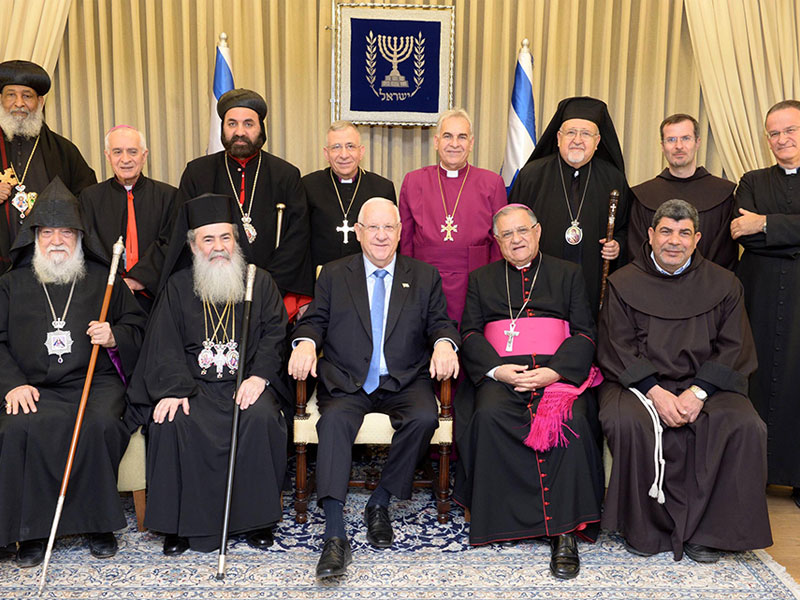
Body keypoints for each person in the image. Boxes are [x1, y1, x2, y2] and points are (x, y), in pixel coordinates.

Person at [288, 197, 459, 579]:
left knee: (424, 417)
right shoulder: (334, 274)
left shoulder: (424, 275)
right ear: (359, 233)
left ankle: (379, 502)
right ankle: (334, 535)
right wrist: (305, 343)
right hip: (348, 379)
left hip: (404, 377)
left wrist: (445, 343)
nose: (381, 236)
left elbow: (440, 323)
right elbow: (314, 320)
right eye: (373, 228)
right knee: (331, 424)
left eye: (389, 228)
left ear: (400, 233)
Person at [600, 199, 772, 562]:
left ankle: (711, 532)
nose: (673, 241)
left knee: (744, 425)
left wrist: (698, 392)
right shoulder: (622, 283)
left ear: (697, 239)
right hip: (642, 385)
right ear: (650, 235)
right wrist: (656, 393)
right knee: (627, 421)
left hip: (707, 384)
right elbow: (618, 346)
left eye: (683, 233)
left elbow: (733, 347)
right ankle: (644, 528)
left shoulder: (725, 284)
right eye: (665, 231)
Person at [126, 193, 290, 554]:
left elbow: (276, 334)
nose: (219, 247)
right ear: (193, 245)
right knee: (170, 420)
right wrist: (173, 389)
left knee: (261, 417)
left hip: (243, 382)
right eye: (209, 239)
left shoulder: (257, 282)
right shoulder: (178, 286)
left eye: (226, 238)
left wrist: (259, 377)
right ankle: (179, 526)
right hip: (192, 386)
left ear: (236, 239)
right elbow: (163, 343)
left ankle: (256, 521)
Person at [453, 204, 604, 580]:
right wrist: (498, 370)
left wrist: (553, 373)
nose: (516, 240)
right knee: (488, 415)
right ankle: (502, 518)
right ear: (497, 241)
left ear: (537, 232)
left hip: (557, 373)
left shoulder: (568, 274)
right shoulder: (482, 278)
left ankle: (565, 532)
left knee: (574, 420)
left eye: (523, 231)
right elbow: (469, 332)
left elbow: (586, 332)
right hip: (504, 373)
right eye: (507, 235)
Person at [0, 177, 145, 567]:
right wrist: (12, 385)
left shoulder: (103, 280)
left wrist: (115, 335)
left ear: (81, 237)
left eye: (66, 231)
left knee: (99, 423)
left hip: (94, 381)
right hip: (34, 386)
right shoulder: (11, 285)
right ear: (34, 237)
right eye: (47, 232)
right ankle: (30, 532)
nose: (57, 240)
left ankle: (99, 524)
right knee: (19, 426)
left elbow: (139, 326)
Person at [177, 88, 312, 319]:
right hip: (212, 292)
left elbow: (297, 237)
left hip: (271, 293)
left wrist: (268, 285)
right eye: (232, 124)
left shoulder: (286, 174)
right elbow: (183, 232)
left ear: (261, 128)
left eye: (248, 124)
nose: (239, 132)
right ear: (223, 128)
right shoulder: (197, 173)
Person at [732, 99, 800, 509]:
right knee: (756, 378)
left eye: (789, 130)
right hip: (759, 293)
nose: (781, 139)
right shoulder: (752, 179)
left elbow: (760, 230)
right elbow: (743, 234)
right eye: (773, 133)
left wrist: (769, 224)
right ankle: (753, 472)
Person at [508, 96, 630, 314]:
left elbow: (626, 226)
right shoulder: (532, 175)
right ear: (558, 137)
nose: (577, 140)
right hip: (539, 284)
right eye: (571, 132)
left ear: (598, 140)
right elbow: (511, 226)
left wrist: (618, 244)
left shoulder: (613, 179)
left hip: (592, 284)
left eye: (586, 133)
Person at [399, 108, 507, 323]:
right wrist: (407, 284)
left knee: (470, 344)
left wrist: (493, 285)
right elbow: (405, 240)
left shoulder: (491, 183)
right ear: (437, 141)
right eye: (448, 136)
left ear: (472, 143)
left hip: (475, 282)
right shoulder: (413, 181)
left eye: (462, 137)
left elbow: (499, 242)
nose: (455, 144)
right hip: (425, 281)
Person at [0, 60, 96, 268]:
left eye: (27, 96)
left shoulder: (64, 151)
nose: (19, 103)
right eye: (11, 95)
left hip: (48, 266)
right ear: (0, 100)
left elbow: (88, 201)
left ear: (40, 103)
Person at [79, 125, 177, 312]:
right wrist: (114, 284)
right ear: (108, 156)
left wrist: (137, 279)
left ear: (144, 155)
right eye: (117, 152)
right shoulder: (90, 198)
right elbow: (88, 248)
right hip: (107, 295)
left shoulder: (169, 196)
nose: (125, 159)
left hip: (156, 296)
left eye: (132, 151)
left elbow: (170, 243)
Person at [630, 114, 737, 269]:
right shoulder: (643, 196)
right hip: (652, 287)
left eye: (686, 138)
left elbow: (725, 253)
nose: (678, 146)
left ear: (697, 142)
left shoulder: (723, 194)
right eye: (671, 140)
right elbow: (637, 253)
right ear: (662, 145)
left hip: (709, 287)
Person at [302, 120, 396, 270]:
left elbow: (392, 237)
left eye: (350, 146)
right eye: (336, 147)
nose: (344, 155)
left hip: (367, 278)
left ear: (361, 152)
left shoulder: (382, 188)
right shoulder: (308, 186)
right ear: (326, 153)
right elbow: (300, 241)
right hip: (321, 276)